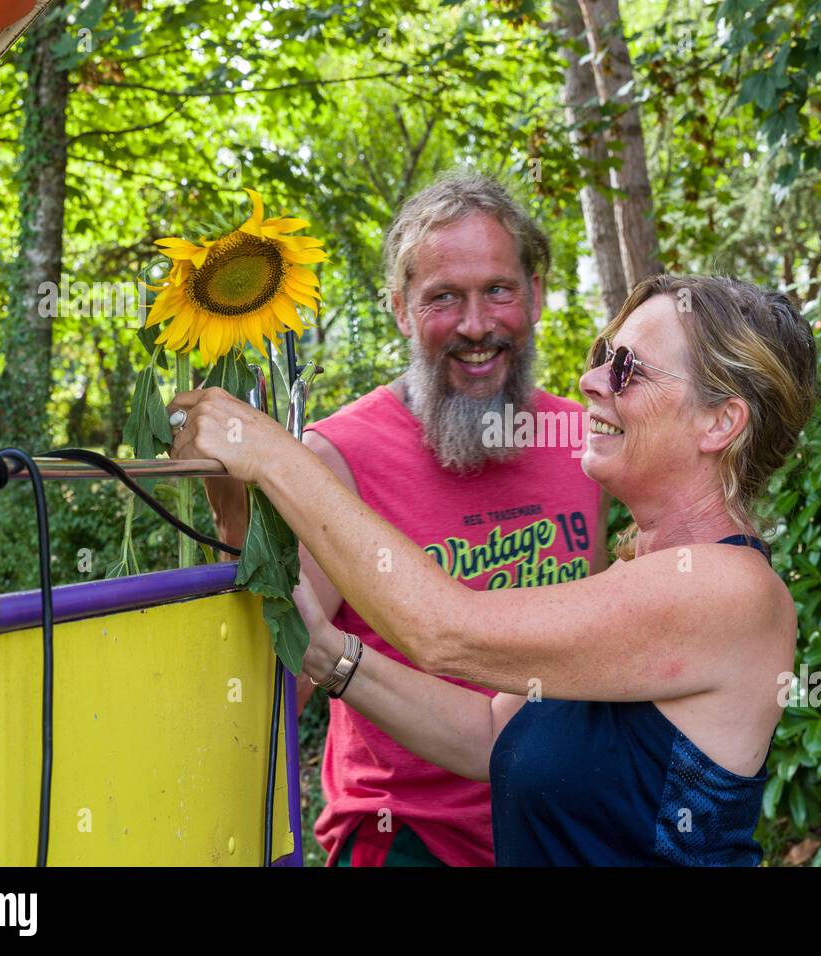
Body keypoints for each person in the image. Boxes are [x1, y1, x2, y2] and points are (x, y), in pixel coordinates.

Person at [173, 273, 818, 865]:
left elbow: (447, 629)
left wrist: (277, 458)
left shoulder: (730, 591)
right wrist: (329, 653)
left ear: (720, 421)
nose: (592, 381)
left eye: (627, 369)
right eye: (602, 355)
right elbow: (487, 734)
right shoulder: (637, 577)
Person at [201, 169, 605, 867]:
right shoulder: (336, 458)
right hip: (411, 838)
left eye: (498, 291)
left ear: (535, 296)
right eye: (443, 298)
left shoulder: (586, 444)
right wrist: (233, 515)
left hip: (563, 826)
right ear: (400, 310)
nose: (476, 326)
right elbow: (280, 670)